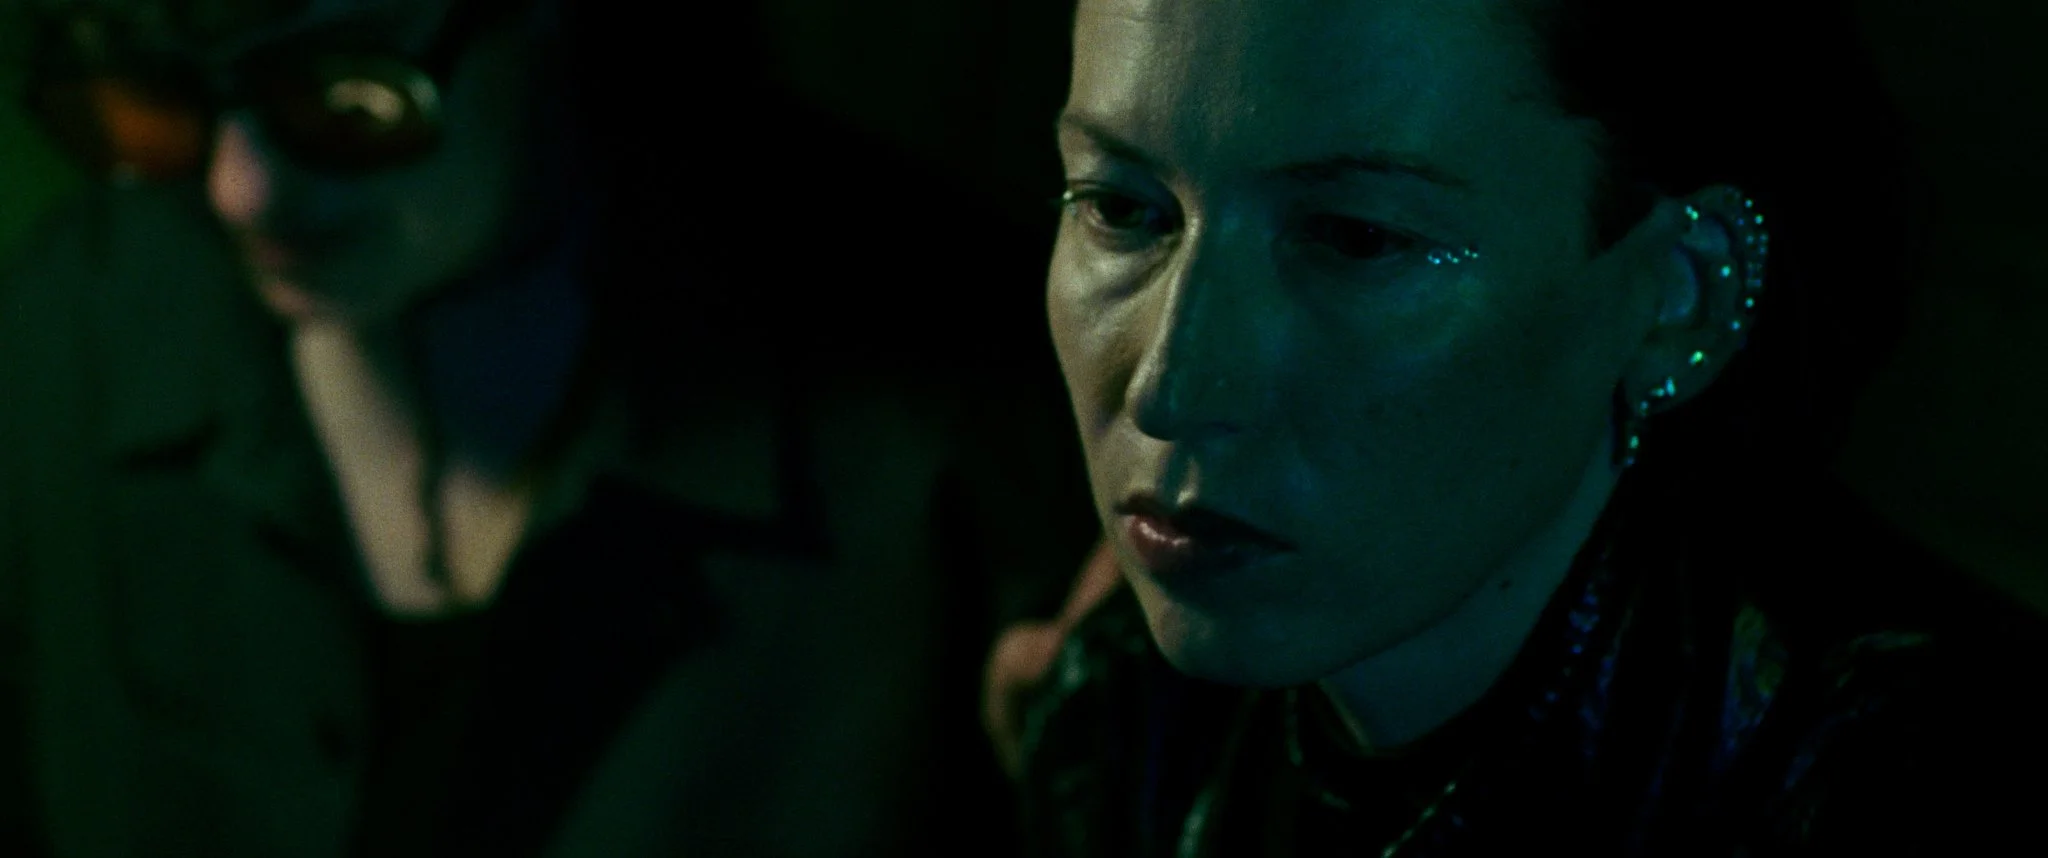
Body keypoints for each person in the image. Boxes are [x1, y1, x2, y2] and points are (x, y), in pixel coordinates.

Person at [0, 0, 1075, 854]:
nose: (242, 193)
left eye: (349, 100)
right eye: (160, 95)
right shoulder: (76, 320)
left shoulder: (955, 396)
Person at [988, 0, 2048, 854]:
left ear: (1676, 294)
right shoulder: (1121, 714)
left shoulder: (1908, 780)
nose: (1170, 389)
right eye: (1120, 207)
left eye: (1355, 238)